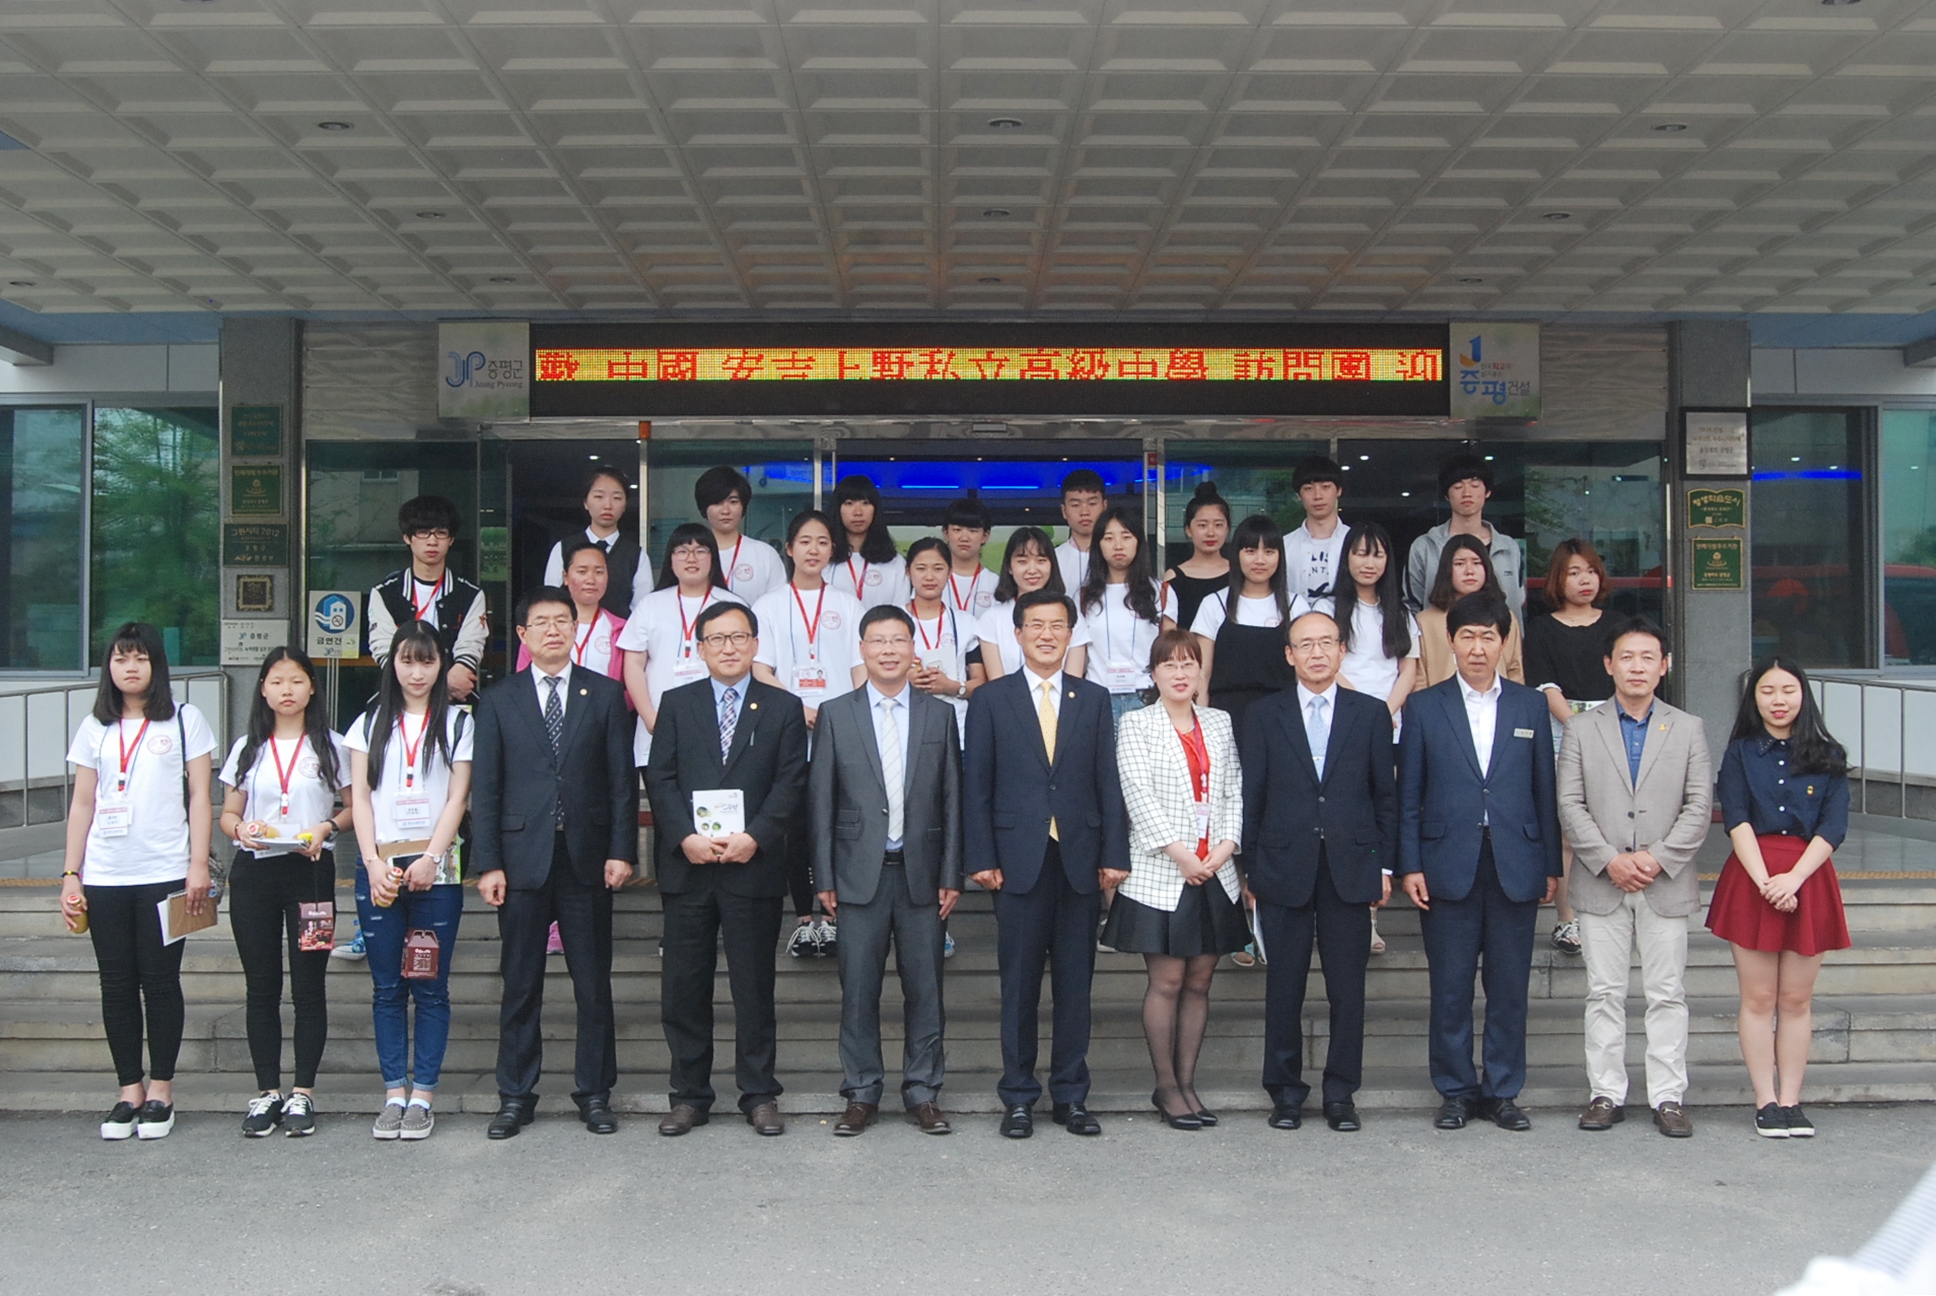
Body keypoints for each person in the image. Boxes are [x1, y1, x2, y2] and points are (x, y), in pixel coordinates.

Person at [473, 587, 640, 1140]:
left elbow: (621, 783)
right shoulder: (499, 700)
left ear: (577, 630)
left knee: (593, 984)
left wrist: (622, 850)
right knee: (521, 983)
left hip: (587, 857)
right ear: (522, 635)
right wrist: (488, 863)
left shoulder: (607, 694)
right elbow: (488, 789)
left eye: (562, 621)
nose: (553, 630)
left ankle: (594, 1093)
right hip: (521, 861)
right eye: (541, 622)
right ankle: (515, 1095)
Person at [963, 589, 1129, 1139]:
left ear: (1070, 634)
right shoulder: (991, 700)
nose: (1046, 635)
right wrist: (981, 856)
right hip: (1016, 862)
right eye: (1035, 625)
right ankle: (1017, 1097)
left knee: (1076, 986)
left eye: (1057, 625)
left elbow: (1108, 780)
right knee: (1019, 985)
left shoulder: (1094, 698)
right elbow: (977, 787)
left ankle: (1071, 1096)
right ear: (1017, 634)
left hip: (1080, 860)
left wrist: (1114, 854)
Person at [1399, 592, 1562, 1133]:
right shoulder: (1425, 706)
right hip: (1447, 860)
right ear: (1451, 641)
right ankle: (1454, 1090)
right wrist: (1409, 863)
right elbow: (1410, 794)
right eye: (1467, 636)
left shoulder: (1529, 706)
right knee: (1449, 986)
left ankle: (1502, 1090)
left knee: (1509, 985)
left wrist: (1551, 864)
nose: (1476, 647)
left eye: (1487, 636)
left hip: (1516, 861)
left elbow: (1545, 788)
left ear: (1504, 642)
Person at [645, 602, 809, 1137]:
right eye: (717, 639)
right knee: (683, 988)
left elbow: (790, 783)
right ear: (699, 648)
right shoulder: (676, 702)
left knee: (754, 987)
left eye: (739, 637)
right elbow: (660, 778)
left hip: (752, 867)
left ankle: (759, 1094)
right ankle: (689, 1095)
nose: (729, 647)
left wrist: (755, 837)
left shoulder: (783, 707)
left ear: (756, 644)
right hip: (689, 866)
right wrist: (683, 837)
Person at [809, 605, 963, 1137]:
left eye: (899, 640)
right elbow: (821, 800)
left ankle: (923, 1092)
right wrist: (823, 876)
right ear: (863, 648)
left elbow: (952, 799)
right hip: (857, 876)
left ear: (912, 647)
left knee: (926, 990)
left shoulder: (938, 714)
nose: (889, 650)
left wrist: (952, 872)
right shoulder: (835, 712)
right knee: (858, 990)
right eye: (879, 641)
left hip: (921, 874)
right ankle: (861, 1093)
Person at [1240, 611, 1397, 1133]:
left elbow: (1385, 799)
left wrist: (1386, 864)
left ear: (1341, 649)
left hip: (1350, 868)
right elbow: (1252, 796)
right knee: (1283, 987)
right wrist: (1250, 867)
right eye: (1304, 645)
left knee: (1347, 989)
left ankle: (1340, 1093)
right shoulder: (1265, 715)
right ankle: (1284, 1093)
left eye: (1326, 643)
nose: (1316, 653)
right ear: (1289, 655)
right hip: (1283, 867)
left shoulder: (1371, 713)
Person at [1556, 616, 1712, 1139]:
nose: (1637, 666)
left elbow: (1699, 805)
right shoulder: (1582, 727)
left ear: (1664, 666)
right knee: (1604, 991)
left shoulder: (1688, 727)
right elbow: (1570, 803)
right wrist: (1609, 859)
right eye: (1627, 656)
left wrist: (1655, 858)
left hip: (1664, 881)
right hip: (1602, 881)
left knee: (1666, 992)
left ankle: (1668, 1097)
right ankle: (1606, 1093)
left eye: (1648, 657)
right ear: (1609, 665)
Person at [60, 622, 215, 1141]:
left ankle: (163, 1091)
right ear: (109, 666)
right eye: (121, 658)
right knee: (117, 984)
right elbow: (83, 803)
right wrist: (70, 874)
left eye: (141, 658)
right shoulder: (94, 727)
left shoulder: (185, 719)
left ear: (157, 665)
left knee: (161, 981)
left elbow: (199, 796)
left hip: (165, 871)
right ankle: (129, 1089)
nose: (130, 667)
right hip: (105, 875)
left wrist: (198, 863)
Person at [1706, 657, 1852, 1139]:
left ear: (1803, 696)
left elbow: (1833, 826)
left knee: (1795, 999)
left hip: (1808, 878)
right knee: (1759, 996)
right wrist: (1769, 879)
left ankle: (1792, 1100)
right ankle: (1765, 1100)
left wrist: (1794, 879)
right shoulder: (1740, 753)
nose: (1778, 700)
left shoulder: (1829, 754)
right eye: (1767, 691)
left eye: (1787, 690)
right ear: (1754, 699)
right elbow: (1737, 818)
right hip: (1753, 876)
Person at [1105, 630, 1244, 1130]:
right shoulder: (1136, 725)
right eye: (1170, 665)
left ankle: (1189, 1085)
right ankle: (1165, 1088)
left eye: (1189, 664)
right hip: (1163, 871)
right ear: (1154, 674)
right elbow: (1137, 795)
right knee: (1166, 980)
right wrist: (1183, 856)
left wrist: (1225, 848)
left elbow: (1233, 790)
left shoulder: (1220, 723)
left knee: (1201, 982)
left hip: (1216, 869)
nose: (1181, 673)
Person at [217, 646, 353, 1138]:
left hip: (311, 873)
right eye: (277, 682)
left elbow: (353, 809)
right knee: (261, 985)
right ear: (263, 689)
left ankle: (303, 1093)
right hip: (255, 873)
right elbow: (227, 814)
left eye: (296, 681)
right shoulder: (247, 746)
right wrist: (240, 830)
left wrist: (325, 827)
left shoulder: (331, 745)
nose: (287, 691)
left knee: (309, 986)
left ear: (312, 687)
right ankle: (267, 1091)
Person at [343, 621, 472, 1141]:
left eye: (426, 661)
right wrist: (373, 863)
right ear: (391, 663)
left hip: (436, 869)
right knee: (387, 987)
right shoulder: (369, 722)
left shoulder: (460, 722)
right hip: (379, 867)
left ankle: (424, 1096)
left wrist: (432, 858)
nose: (416, 672)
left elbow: (457, 798)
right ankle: (394, 1092)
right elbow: (359, 797)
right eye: (406, 661)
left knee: (431, 986)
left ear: (442, 665)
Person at [753, 509, 866, 959]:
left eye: (822, 542)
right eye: (805, 541)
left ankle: (836, 918)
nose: (814, 549)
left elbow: (861, 668)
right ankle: (804, 920)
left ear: (831, 550)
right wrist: (799, 707)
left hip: (840, 730)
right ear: (789, 548)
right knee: (796, 827)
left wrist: (843, 713)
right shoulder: (767, 605)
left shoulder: (847, 604)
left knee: (839, 825)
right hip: (788, 728)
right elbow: (760, 668)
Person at [1301, 522, 1418, 955]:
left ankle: (1370, 917)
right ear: (1346, 558)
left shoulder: (1401, 611)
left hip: (1390, 725)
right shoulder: (1327, 609)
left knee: (1373, 814)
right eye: (1361, 553)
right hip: (1338, 720)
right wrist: (1365, 712)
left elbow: (1409, 668)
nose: (1369, 563)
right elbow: (1327, 663)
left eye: (1378, 554)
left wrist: (1382, 713)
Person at [1526, 538, 1619, 958]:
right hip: (1562, 727)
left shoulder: (1618, 626)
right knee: (1567, 832)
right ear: (1557, 580)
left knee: (1612, 826)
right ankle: (1568, 921)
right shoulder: (1542, 628)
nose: (1584, 580)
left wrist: (1604, 726)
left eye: (1590, 571)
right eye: (1573, 572)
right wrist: (1580, 727)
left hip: (1616, 725)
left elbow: (1632, 680)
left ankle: (1611, 916)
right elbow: (1545, 685)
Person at [618, 522, 748, 768]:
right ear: (670, 559)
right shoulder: (651, 605)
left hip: (721, 726)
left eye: (700, 550)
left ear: (713, 558)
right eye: (682, 551)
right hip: (658, 725)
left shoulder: (732, 606)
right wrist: (649, 716)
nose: (691, 558)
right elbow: (633, 664)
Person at [367, 494, 487, 702]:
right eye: (423, 532)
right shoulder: (385, 594)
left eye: (441, 533)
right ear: (407, 537)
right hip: (397, 698)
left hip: (454, 700)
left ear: (451, 540)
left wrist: (456, 674)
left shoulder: (470, 595)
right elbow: (384, 650)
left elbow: (470, 646)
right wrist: (436, 682)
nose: (432, 541)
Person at [1190, 513, 1293, 732]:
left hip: (1283, 718)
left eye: (1269, 551)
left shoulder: (1296, 606)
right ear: (1237, 555)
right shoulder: (1214, 603)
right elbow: (1202, 673)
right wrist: (1203, 725)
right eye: (1250, 551)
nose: (1260, 560)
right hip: (1225, 718)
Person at [1078, 505, 1177, 726]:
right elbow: (1078, 655)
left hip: (1148, 697)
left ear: (1138, 542)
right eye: (1109, 538)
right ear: (1098, 545)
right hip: (1098, 696)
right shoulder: (1084, 596)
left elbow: (1170, 653)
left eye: (1126, 536)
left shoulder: (1161, 592)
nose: (1118, 545)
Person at [1405, 454, 1525, 618]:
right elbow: (1412, 606)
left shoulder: (1508, 548)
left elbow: (1516, 604)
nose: (1467, 493)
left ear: (1487, 492)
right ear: (1447, 495)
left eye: (1475, 485)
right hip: (1438, 640)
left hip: (1498, 639)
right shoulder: (1424, 546)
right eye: (1458, 486)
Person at [978, 525, 1091, 682]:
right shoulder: (991, 619)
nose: (1032, 570)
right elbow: (997, 684)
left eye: (1041, 560)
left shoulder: (1073, 617)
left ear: (1052, 565)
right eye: (1022, 561)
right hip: (1008, 704)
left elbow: (1073, 681)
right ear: (1009, 567)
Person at [1414, 535, 1525, 690]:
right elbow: (1419, 680)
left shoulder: (1506, 616)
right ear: (1447, 570)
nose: (1469, 571)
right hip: (1442, 710)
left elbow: (1515, 671)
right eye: (1459, 563)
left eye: (1477, 563)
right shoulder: (1424, 622)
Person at [541, 464, 647, 617]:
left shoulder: (636, 556)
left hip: (620, 637)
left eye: (617, 498)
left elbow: (641, 610)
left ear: (625, 504)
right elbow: (551, 600)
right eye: (598, 497)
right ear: (585, 502)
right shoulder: (563, 549)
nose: (608, 505)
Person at [903, 536, 984, 734]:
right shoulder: (893, 621)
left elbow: (980, 682)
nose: (929, 577)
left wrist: (952, 686)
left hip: (957, 728)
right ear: (908, 572)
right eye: (921, 568)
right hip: (906, 728)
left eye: (938, 568)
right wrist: (904, 682)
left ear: (949, 572)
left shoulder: (967, 623)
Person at [696, 464, 786, 605]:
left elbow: (778, 606)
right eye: (717, 503)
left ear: (743, 506)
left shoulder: (764, 554)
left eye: (733, 502)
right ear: (704, 507)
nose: (725, 510)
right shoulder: (690, 554)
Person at [828, 473, 907, 610]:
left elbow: (901, 612)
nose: (858, 512)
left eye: (865, 503)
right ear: (838, 509)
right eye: (849, 503)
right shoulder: (825, 559)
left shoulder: (895, 562)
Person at [1162, 482, 1231, 633]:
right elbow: (1168, 633)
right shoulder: (1174, 577)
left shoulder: (1239, 572)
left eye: (1218, 525)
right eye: (1202, 525)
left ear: (1227, 529)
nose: (1211, 533)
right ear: (1188, 529)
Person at [1284, 456, 1349, 602]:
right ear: (1299, 495)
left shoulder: (1355, 542)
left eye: (1325, 487)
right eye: (1308, 489)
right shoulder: (1285, 545)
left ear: (1338, 490)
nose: (1317, 496)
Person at [1054, 468, 1108, 595]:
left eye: (1092, 503)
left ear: (1105, 507)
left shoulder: (1118, 556)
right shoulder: (1052, 560)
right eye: (1075, 505)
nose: (1084, 512)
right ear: (1064, 511)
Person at [941, 497, 998, 616]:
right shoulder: (932, 580)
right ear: (946, 533)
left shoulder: (996, 584)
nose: (964, 538)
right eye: (957, 530)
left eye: (973, 531)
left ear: (985, 536)